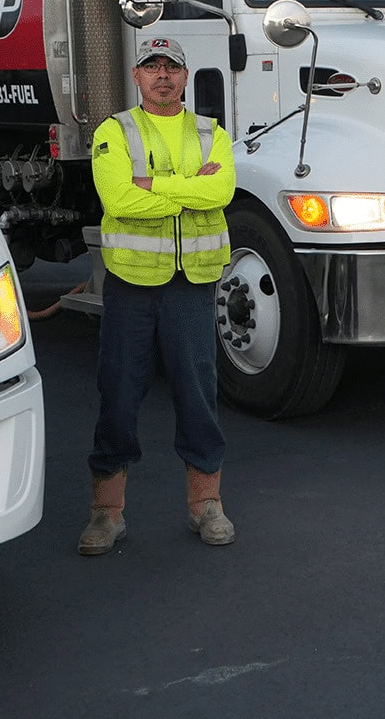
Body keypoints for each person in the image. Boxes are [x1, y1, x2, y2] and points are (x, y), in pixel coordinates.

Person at [79, 36, 238, 555]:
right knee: (119, 391)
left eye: (172, 67)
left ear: (187, 77)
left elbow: (221, 193)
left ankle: (206, 506)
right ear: (136, 76)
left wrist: (153, 186)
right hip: (132, 283)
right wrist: (187, 186)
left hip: (192, 282)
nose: (163, 75)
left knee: (197, 391)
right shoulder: (115, 129)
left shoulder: (212, 132)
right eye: (153, 67)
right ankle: (107, 513)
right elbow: (118, 199)